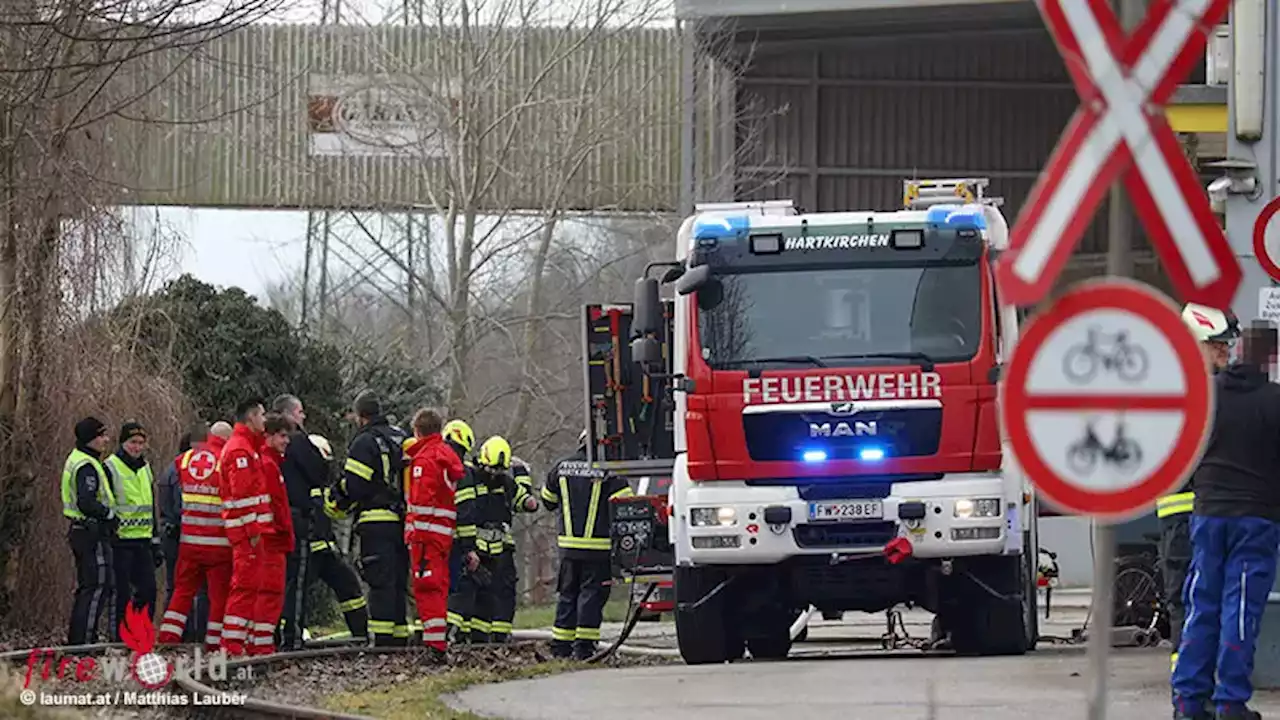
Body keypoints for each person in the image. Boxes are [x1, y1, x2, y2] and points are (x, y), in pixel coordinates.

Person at [1172, 322, 1280, 720]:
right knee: (1240, 610)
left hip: (1208, 514)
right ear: (1270, 357)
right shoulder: (1274, 400)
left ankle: (1187, 700)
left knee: (1202, 606)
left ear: (1237, 351)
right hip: (1256, 520)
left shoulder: (1208, 394)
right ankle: (1230, 703)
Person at [1159, 304, 1239, 669]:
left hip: (1216, 513)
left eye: (1227, 346)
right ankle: (1187, 677)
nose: (1225, 352)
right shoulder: (1182, 391)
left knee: (1216, 597)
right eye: (1217, 345)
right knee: (1186, 599)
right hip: (1184, 516)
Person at [273, 394, 369, 650]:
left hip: (317, 535)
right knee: (298, 587)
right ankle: (290, 640)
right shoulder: (297, 441)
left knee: (340, 582)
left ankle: (361, 634)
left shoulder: (279, 448)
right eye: (300, 412)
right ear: (290, 414)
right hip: (307, 532)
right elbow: (319, 471)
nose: (304, 417)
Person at [539, 429, 633, 659]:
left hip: (569, 549)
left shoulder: (561, 468)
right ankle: (584, 648)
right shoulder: (610, 470)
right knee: (591, 596)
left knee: (567, 595)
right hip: (598, 549)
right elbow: (627, 504)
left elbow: (547, 501)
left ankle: (561, 648)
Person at [331, 391, 409, 647]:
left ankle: (383, 643)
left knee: (380, 583)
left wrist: (337, 495)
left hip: (376, 522)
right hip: (405, 521)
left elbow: (356, 485)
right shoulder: (401, 438)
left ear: (361, 416)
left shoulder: (364, 442)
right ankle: (399, 639)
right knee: (398, 581)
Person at [157, 421, 234, 650]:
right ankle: (212, 645)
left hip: (189, 542)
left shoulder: (187, 459)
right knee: (218, 596)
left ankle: (168, 639)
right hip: (219, 543)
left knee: (182, 592)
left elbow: (170, 484)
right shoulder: (227, 460)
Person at [404, 409, 466, 658]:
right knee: (437, 587)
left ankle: (434, 647)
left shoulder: (425, 459)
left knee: (427, 589)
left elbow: (421, 502)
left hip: (425, 538)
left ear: (417, 431)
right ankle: (435, 643)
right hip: (441, 535)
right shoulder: (444, 455)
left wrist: (413, 532)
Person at [218, 398, 271, 657]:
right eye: (262, 415)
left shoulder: (247, 447)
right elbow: (242, 497)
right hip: (246, 534)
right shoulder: (240, 450)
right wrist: (251, 533)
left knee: (251, 587)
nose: (265, 420)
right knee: (244, 587)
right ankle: (232, 645)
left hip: (249, 532)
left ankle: (242, 642)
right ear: (251, 417)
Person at [64, 416, 117, 645]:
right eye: (101, 435)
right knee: (97, 585)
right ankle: (84, 641)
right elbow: (87, 501)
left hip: (82, 530)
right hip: (89, 532)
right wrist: (108, 514)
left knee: (90, 585)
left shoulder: (81, 459)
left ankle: (81, 639)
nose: (105, 440)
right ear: (90, 439)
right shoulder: (86, 465)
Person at [105, 422, 160, 642]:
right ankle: (119, 636)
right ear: (123, 443)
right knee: (122, 594)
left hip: (143, 540)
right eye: (132, 442)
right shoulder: (111, 466)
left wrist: (156, 541)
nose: (137, 447)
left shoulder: (145, 467)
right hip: (120, 541)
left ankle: (140, 632)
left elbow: (151, 505)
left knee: (148, 591)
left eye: (140, 443)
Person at [250, 413, 295, 655]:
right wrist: (282, 533)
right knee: (269, 594)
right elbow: (273, 507)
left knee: (267, 594)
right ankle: (262, 647)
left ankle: (259, 645)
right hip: (270, 542)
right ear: (267, 436)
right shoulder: (267, 465)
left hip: (270, 541)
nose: (286, 441)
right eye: (281, 436)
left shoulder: (269, 463)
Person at [490, 454, 538, 643]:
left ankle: (484, 638)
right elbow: (529, 503)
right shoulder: (507, 483)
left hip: (478, 550)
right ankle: (500, 638)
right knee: (503, 594)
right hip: (501, 548)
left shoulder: (472, 479)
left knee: (482, 595)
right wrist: (521, 472)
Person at [443, 419, 482, 642]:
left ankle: (427, 635)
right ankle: (449, 635)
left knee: (431, 589)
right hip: (454, 543)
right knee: (458, 589)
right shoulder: (460, 471)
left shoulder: (429, 461)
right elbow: (465, 514)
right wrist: (470, 548)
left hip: (424, 538)